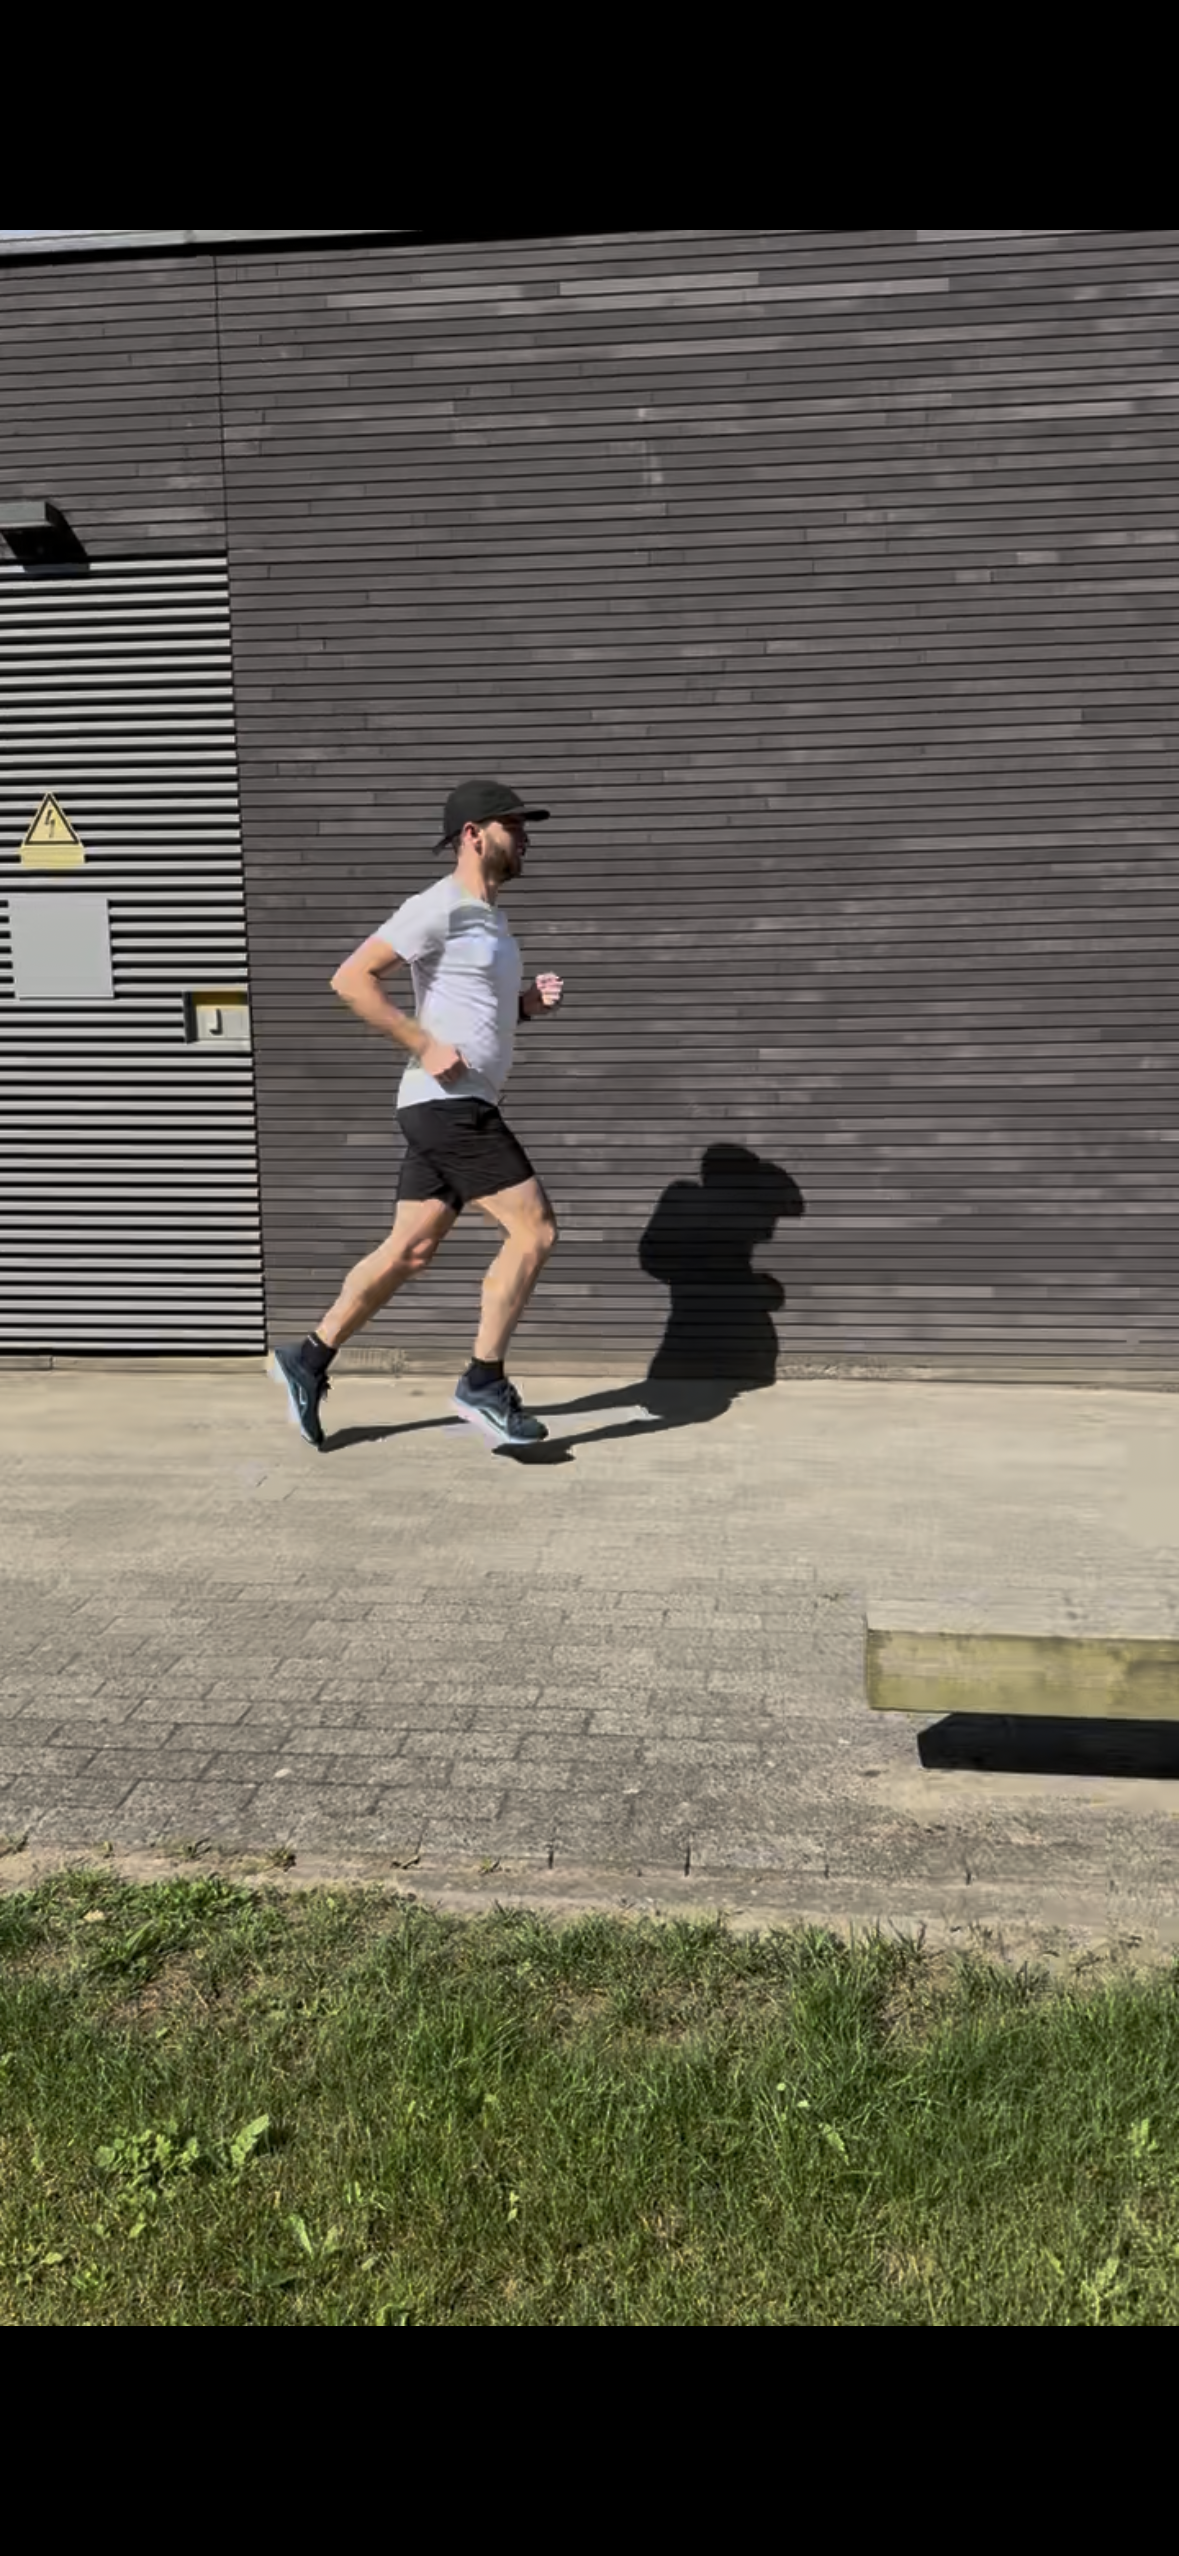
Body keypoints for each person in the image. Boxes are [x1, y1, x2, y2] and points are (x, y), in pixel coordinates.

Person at [270, 779, 564, 1451]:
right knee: (535, 1231)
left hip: (453, 1103)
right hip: (448, 1105)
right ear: (474, 835)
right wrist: (424, 1045)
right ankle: (483, 1383)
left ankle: (308, 1358)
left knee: (410, 1249)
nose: (525, 838)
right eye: (514, 826)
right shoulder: (438, 906)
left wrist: (524, 1007)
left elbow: (474, 1013)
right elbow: (351, 978)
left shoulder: (491, 919)